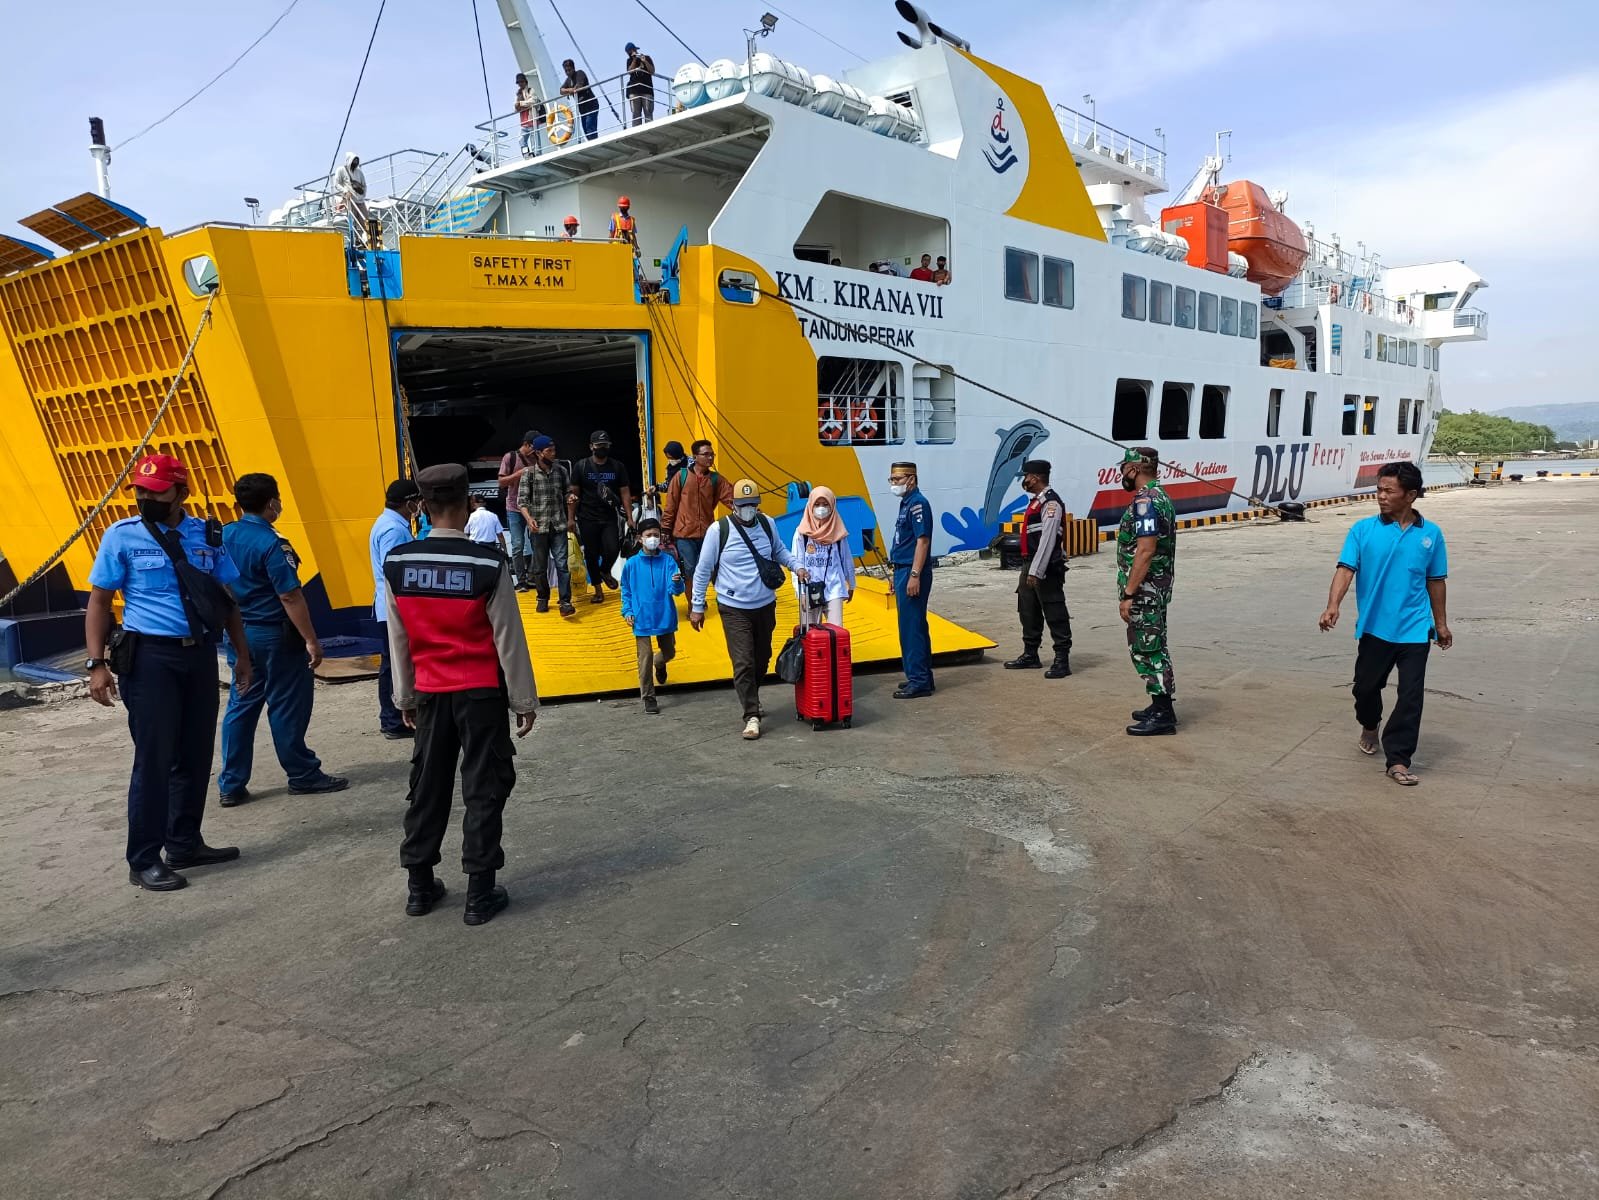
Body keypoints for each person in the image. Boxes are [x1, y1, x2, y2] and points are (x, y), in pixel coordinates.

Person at [84, 453, 252, 892]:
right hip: (150, 660)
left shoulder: (207, 535)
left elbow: (227, 599)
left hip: (198, 657)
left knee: (195, 756)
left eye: (154, 492)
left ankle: (184, 843)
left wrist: (243, 657)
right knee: (154, 760)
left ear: (182, 492)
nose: (144, 498)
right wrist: (96, 664)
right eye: (140, 491)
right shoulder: (121, 536)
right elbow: (100, 603)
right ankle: (143, 858)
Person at [384, 464, 539, 926]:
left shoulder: (399, 563)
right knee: (484, 787)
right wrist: (524, 702)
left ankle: (419, 886)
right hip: (480, 693)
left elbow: (399, 639)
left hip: (431, 693)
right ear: (468, 501)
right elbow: (508, 638)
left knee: (427, 786)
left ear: (422, 505)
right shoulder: (488, 564)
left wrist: (406, 698)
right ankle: (479, 893)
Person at [1318, 461, 1452, 786]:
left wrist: (1441, 624)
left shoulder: (1431, 535)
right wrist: (1332, 605)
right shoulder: (1363, 530)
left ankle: (1399, 760)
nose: (1380, 496)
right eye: (1378, 489)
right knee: (1365, 689)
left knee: (1410, 696)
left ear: (1411, 495)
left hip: (1415, 629)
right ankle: (1369, 723)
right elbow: (1345, 569)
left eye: (1388, 491)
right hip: (1375, 628)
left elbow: (1436, 581)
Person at [218, 473, 348, 806]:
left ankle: (231, 783)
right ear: (272, 502)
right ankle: (302, 773)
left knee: (241, 704)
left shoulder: (225, 535)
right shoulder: (273, 544)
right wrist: (312, 641)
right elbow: (290, 596)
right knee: (287, 704)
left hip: (238, 633)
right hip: (273, 635)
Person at [689, 479, 805, 740]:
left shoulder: (767, 524)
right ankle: (751, 715)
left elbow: (779, 551)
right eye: (744, 505)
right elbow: (703, 569)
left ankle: (752, 694)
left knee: (762, 657)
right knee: (743, 661)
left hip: (765, 603)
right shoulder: (718, 531)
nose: (749, 509)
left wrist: (797, 567)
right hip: (734, 607)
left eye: (753, 504)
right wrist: (697, 605)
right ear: (733, 505)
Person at [1115, 447, 1179, 736]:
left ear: (1133, 469)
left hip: (1145, 590)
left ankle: (1164, 713)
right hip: (1157, 586)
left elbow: (1145, 550)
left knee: (1148, 648)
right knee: (1153, 644)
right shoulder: (1161, 496)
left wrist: (1129, 593)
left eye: (1123, 469)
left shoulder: (1144, 501)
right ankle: (1159, 703)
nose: (1122, 475)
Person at [1004, 459, 1073, 678]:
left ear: (1035, 477)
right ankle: (1030, 654)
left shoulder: (1051, 504)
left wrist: (1036, 571)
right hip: (1029, 563)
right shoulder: (1036, 502)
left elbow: (1048, 540)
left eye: (1026, 476)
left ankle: (1062, 660)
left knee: (1054, 611)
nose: (1024, 480)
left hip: (1045, 567)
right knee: (1028, 611)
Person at [371, 478, 421, 739]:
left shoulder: (389, 523)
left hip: (386, 606)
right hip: (394, 609)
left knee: (391, 664)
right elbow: (396, 572)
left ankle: (392, 717)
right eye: (417, 501)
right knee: (395, 665)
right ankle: (393, 720)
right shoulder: (393, 529)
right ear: (409, 503)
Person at [620, 516, 682, 714]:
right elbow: (626, 591)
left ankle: (660, 663)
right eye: (649, 535)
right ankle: (648, 697)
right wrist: (627, 611)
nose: (653, 538)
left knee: (669, 652)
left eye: (656, 535)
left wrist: (677, 581)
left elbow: (676, 590)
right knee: (644, 658)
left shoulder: (668, 561)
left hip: (664, 615)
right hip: (641, 617)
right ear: (640, 538)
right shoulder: (631, 564)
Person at [569, 430, 636, 603]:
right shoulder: (581, 466)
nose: (602, 448)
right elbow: (573, 494)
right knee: (591, 554)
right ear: (591, 447)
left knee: (613, 548)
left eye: (605, 445)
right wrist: (571, 518)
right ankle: (598, 590)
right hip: (587, 517)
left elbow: (625, 492)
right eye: (599, 445)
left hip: (609, 517)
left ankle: (605, 570)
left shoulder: (617, 466)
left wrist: (630, 517)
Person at [888, 462, 935, 699]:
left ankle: (919, 680)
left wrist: (914, 575)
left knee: (911, 628)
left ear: (911, 479)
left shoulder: (918, 504)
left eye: (897, 479)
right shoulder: (906, 504)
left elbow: (922, 541)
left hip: (911, 571)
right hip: (903, 570)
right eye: (892, 480)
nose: (894, 484)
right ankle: (920, 676)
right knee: (913, 626)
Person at [516, 435, 577, 616]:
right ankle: (542, 598)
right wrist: (529, 519)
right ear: (538, 453)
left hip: (558, 525)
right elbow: (522, 502)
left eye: (554, 450)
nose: (553, 453)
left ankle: (565, 602)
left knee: (562, 565)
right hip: (538, 527)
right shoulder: (529, 474)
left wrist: (570, 498)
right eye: (549, 451)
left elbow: (568, 492)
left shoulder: (561, 471)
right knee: (540, 567)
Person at [661, 438, 733, 580]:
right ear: (695, 457)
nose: (710, 457)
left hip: (707, 533)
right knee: (690, 571)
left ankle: (723, 600)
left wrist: (750, 510)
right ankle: (694, 602)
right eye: (706, 454)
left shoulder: (716, 479)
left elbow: (732, 498)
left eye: (712, 454)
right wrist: (665, 529)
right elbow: (671, 505)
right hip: (684, 534)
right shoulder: (681, 476)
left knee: (715, 568)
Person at [790, 486, 856, 628]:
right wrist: (800, 592)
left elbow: (846, 559)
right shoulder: (802, 533)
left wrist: (851, 583)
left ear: (832, 506)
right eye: (817, 504)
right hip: (809, 588)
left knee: (836, 632)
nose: (821, 508)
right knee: (809, 633)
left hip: (834, 587)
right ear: (810, 506)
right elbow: (796, 563)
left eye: (825, 504)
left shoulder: (838, 532)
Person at [497, 431, 540, 589]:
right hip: (514, 508)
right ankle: (521, 580)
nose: (536, 452)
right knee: (517, 544)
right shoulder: (510, 457)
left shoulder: (537, 458)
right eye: (535, 448)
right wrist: (519, 474)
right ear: (527, 444)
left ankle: (532, 576)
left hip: (533, 507)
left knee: (538, 543)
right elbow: (501, 482)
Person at [333, 152, 370, 242]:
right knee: (352, 220)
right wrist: (345, 191)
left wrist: (363, 195)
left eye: (357, 160)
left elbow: (364, 185)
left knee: (365, 220)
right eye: (354, 160)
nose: (355, 162)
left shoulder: (359, 172)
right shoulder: (341, 170)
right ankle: (356, 240)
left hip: (360, 201)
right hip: (349, 200)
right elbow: (336, 184)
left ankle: (366, 239)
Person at [561, 59, 599, 141]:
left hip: (590, 104)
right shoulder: (569, 80)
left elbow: (578, 87)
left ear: (573, 68)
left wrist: (570, 90)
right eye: (566, 71)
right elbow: (561, 90)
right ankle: (592, 143)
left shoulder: (579, 74)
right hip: (582, 108)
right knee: (585, 129)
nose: (567, 72)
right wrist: (570, 90)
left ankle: (595, 145)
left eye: (569, 70)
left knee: (590, 127)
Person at [514, 73, 545, 156]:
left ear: (525, 82)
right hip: (524, 122)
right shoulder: (518, 94)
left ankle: (537, 154)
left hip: (532, 119)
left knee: (534, 140)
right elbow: (515, 107)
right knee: (521, 140)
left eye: (521, 82)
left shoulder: (530, 90)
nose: (520, 84)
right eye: (519, 82)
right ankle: (526, 154)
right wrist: (518, 106)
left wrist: (521, 103)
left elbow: (534, 101)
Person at [625, 43, 656, 125]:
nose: (635, 52)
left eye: (635, 50)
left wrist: (644, 61)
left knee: (648, 114)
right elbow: (629, 71)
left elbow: (652, 71)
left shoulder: (647, 58)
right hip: (634, 91)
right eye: (632, 51)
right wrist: (634, 59)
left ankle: (650, 132)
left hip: (647, 90)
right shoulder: (629, 61)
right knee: (636, 115)